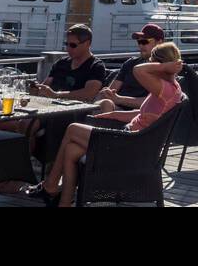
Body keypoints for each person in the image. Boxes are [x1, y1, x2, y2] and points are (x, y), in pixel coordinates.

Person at [30, 43, 185, 207]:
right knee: (71, 150)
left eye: (153, 62)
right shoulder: (170, 88)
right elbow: (146, 116)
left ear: (160, 64)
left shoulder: (164, 88)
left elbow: (138, 70)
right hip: (132, 141)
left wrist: (165, 66)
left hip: (130, 146)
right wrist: (114, 115)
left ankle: (51, 184)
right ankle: (63, 202)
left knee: (73, 128)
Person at [30, 24, 106, 101]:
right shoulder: (61, 63)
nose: (68, 48)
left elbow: (88, 94)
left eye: (73, 45)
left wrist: (56, 95)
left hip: (76, 110)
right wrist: (36, 89)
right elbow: (46, 85)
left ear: (87, 44)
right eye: (67, 44)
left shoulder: (95, 66)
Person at [98, 23, 163, 107]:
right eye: (139, 41)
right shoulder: (130, 63)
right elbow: (112, 90)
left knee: (106, 104)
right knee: (100, 98)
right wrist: (106, 93)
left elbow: (154, 102)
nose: (140, 45)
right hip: (115, 106)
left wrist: (119, 100)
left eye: (145, 41)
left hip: (138, 112)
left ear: (159, 43)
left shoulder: (164, 69)